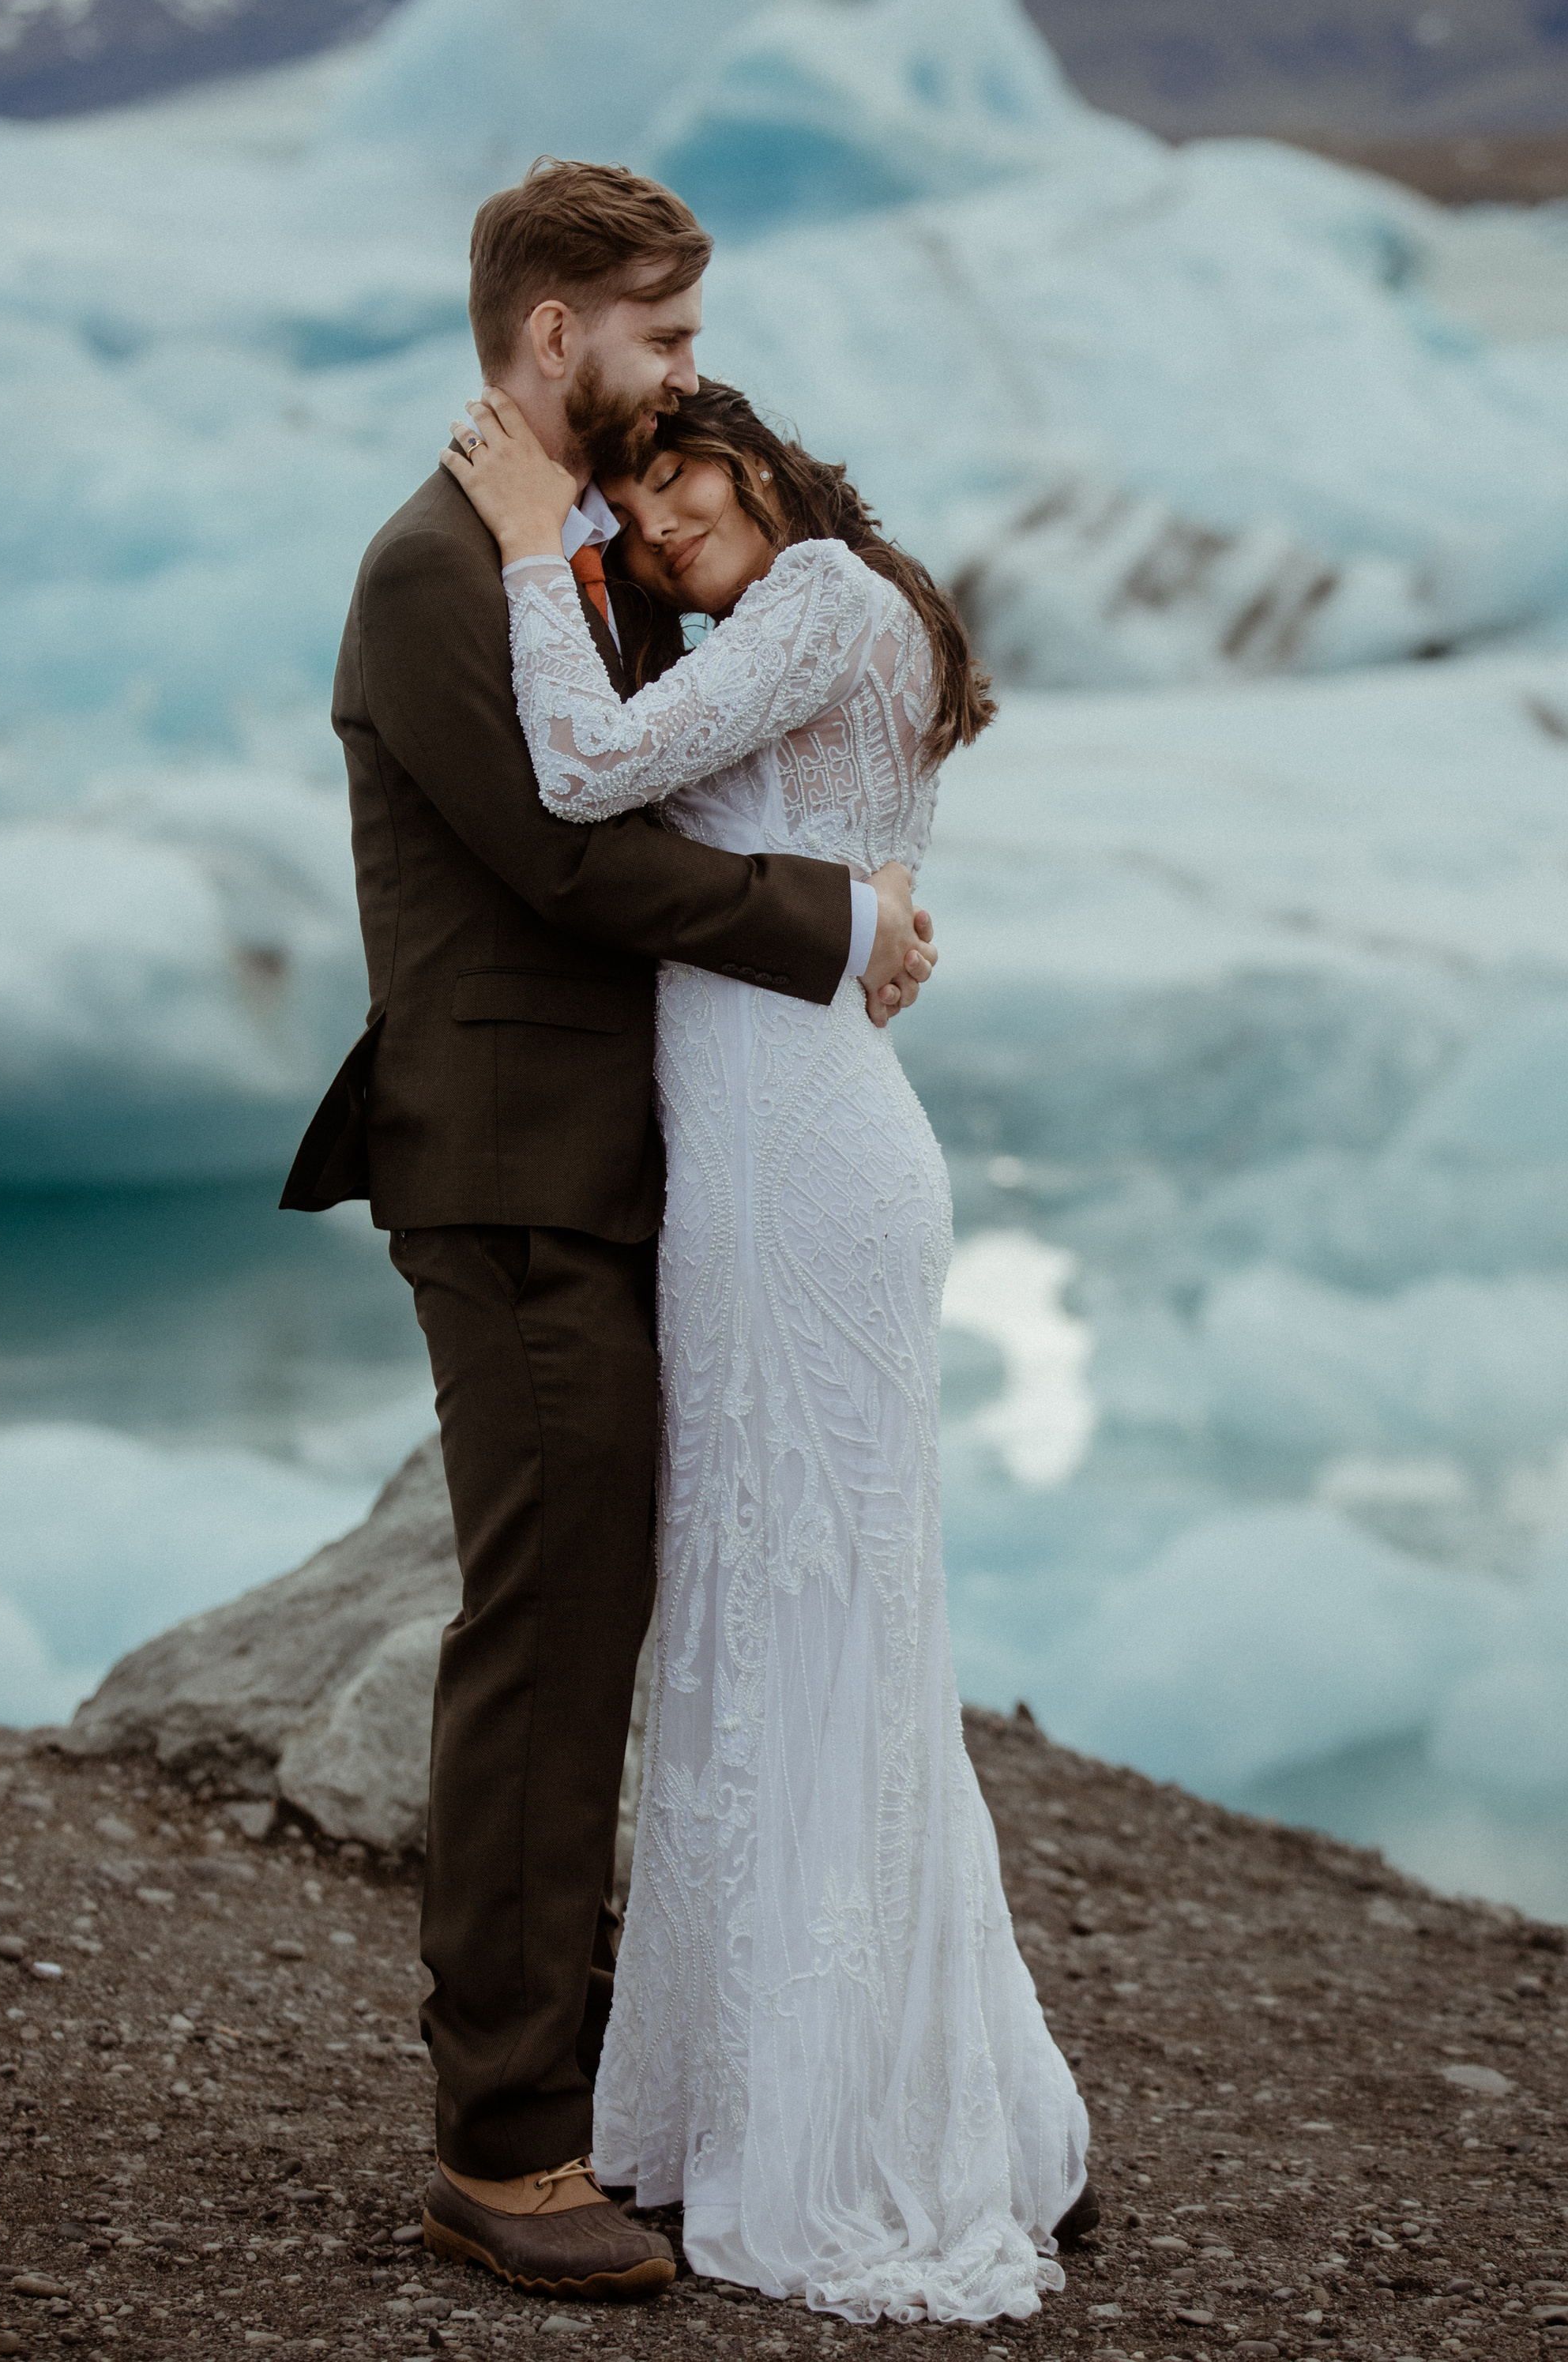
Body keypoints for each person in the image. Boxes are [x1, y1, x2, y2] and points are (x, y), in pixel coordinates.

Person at [280, 159, 936, 2304]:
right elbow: (569, 872)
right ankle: (504, 2145)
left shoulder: (591, 558)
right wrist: (831, 926)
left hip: (638, 1170)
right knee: (548, 1642)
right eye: (654, 334)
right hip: (512, 1178)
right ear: (552, 333)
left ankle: (640, 2102)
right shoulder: (423, 574)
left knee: (631, 1634)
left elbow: (696, 768)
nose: (685, 373)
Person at [442, 370, 1092, 2324]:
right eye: (623, 510)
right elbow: (815, 866)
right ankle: (764, 2097)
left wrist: (525, 560)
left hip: (804, 1176)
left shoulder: (813, 591)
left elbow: (579, 776)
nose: (648, 527)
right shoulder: (804, 621)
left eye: (668, 484)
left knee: (815, 1631)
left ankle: (849, 2130)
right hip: (759, 1169)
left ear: (755, 457)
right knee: (765, 1626)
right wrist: (857, 907)